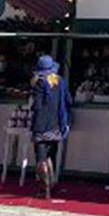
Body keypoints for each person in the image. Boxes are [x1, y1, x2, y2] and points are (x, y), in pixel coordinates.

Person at [29, 55, 71, 200]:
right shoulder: (60, 81)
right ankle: (52, 185)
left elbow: (37, 106)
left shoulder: (40, 83)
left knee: (41, 158)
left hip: (41, 124)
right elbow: (68, 100)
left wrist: (32, 89)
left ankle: (44, 187)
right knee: (51, 155)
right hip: (57, 123)